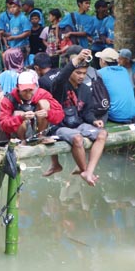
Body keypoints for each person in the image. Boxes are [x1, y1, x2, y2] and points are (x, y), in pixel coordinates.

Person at [46, 48, 107, 185]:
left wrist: (94, 120)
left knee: (102, 134)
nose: (81, 76)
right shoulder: (60, 86)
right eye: (78, 72)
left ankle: (88, 171)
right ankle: (85, 171)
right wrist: (77, 59)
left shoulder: (85, 89)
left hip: (78, 124)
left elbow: (87, 112)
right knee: (77, 138)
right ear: (71, 72)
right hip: (60, 126)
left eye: (84, 73)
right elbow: (61, 77)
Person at [0, 71, 63, 141]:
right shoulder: (9, 99)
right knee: (18, 113)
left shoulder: (42, 94)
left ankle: (40, 137)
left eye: (30, 90)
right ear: (17, 87)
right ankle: (22, 140)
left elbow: (60, 114)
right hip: (17, 133)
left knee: (44, 103)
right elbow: (3, 125)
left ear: (35, 87)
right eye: (24, 90)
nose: (28, 94)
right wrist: (20, 118)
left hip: (38, 128)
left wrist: (48, 114)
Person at [96, 48, 135, 123]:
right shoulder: (124, 70)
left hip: (116, 116)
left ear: (103, 61)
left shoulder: (99, 73)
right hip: (133, 114)